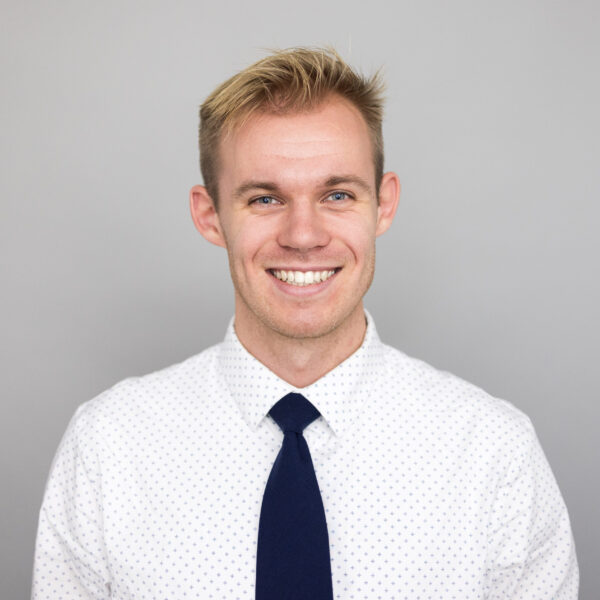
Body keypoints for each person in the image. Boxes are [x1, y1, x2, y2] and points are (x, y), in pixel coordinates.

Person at [31, 47, 578, 599]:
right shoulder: (108, 445)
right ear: (209, 215)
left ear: (383, 204)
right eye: (265, 198)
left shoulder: (494, 452)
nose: (303, 235)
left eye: (337, 195)